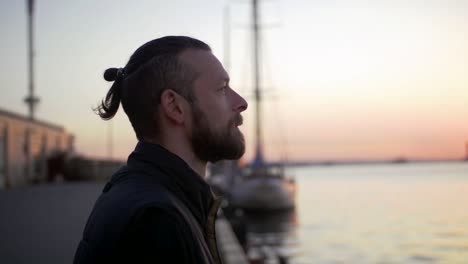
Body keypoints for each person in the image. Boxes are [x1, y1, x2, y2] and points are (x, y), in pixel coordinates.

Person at [73, 36, 248, 264]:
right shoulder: (158, 223)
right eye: (222, 88)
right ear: (175, 107)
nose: (241, 102)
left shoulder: (137, 193)